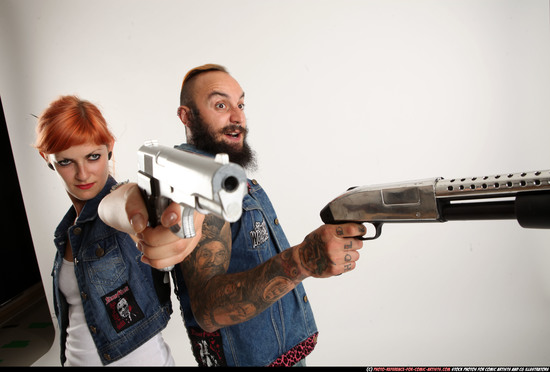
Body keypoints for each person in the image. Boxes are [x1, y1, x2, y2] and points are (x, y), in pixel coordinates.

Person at [99, 64, 366, 366]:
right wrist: (302, 259)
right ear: (186, 116)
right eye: (221, 105)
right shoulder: (192, 183)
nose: (238, 117)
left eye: (240, 104)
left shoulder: (230, 176)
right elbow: (207, 310)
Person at [34, 95, 201, 366]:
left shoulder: (116, 205)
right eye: (66, 162)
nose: (83, 174)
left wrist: (166, 209)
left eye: (93, 157)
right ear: (47, 158)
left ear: (109, 148)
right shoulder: (65, 233)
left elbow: (121, 203)